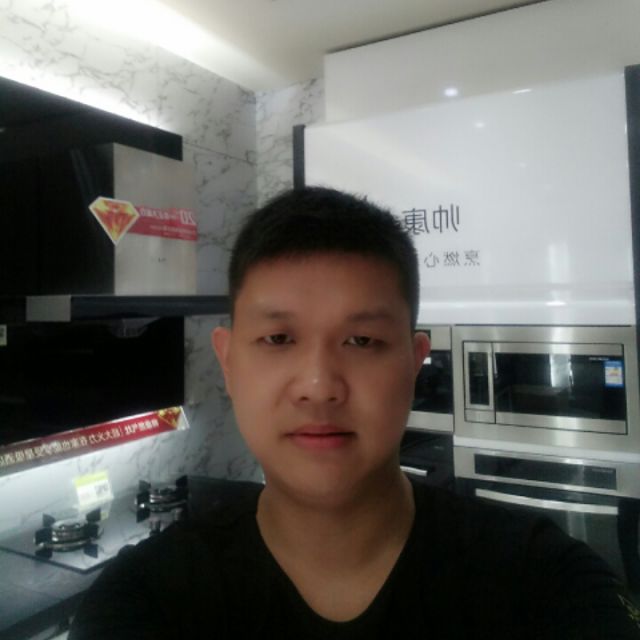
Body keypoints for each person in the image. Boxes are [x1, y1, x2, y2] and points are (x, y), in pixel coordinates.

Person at [70, 186, 640, 639]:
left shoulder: (543, 581)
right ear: (228, 363)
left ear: (415, 363)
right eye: (278, 339)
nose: (319, 387)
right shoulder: (143, 600)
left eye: (362, 341)